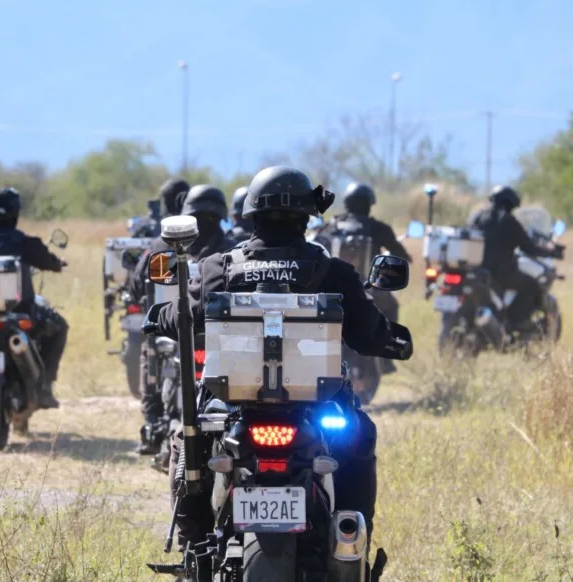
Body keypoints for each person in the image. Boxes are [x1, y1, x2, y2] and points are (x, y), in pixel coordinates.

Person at [156, 167, 411, 581]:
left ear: (250, 214)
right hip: (316, 409)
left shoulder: (220, 266)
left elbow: (181, 316)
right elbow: (368, 334)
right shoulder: (333, 272)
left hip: (234, 406)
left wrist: (159, 316)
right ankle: (352, 543)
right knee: (360, 435)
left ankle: (196, 550)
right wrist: (394, 341)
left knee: (188, 445)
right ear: (307, 217)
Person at [129, 184, 236, 456]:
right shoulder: (231, 249)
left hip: (173, 329)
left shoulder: (163, 245)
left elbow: (138, 284)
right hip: (217, 336)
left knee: (150, 353)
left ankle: (152, 422)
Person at [0, 187, 68, 415]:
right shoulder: (24, 242)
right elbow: (50, 262)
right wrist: (58, 263)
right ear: (15, 213)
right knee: (59, 326)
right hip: (21, 313)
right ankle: (46, 386)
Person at [315, 182, 411, 374]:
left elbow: (315, 250)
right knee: (392, 306)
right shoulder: (377, 228)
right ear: (369, 203)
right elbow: (399, 254)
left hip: (335, 288)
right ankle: (387, 354)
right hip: (369, 287)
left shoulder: (330, 226)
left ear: (347, 203)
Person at [470, 185, 563, 331]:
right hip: (500, 272)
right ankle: (517, 322)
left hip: (478, 270)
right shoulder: (507, 221)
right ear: (510, 204)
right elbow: (529, 247)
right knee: (531, 285)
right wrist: (551, 252)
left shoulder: (478, 217)